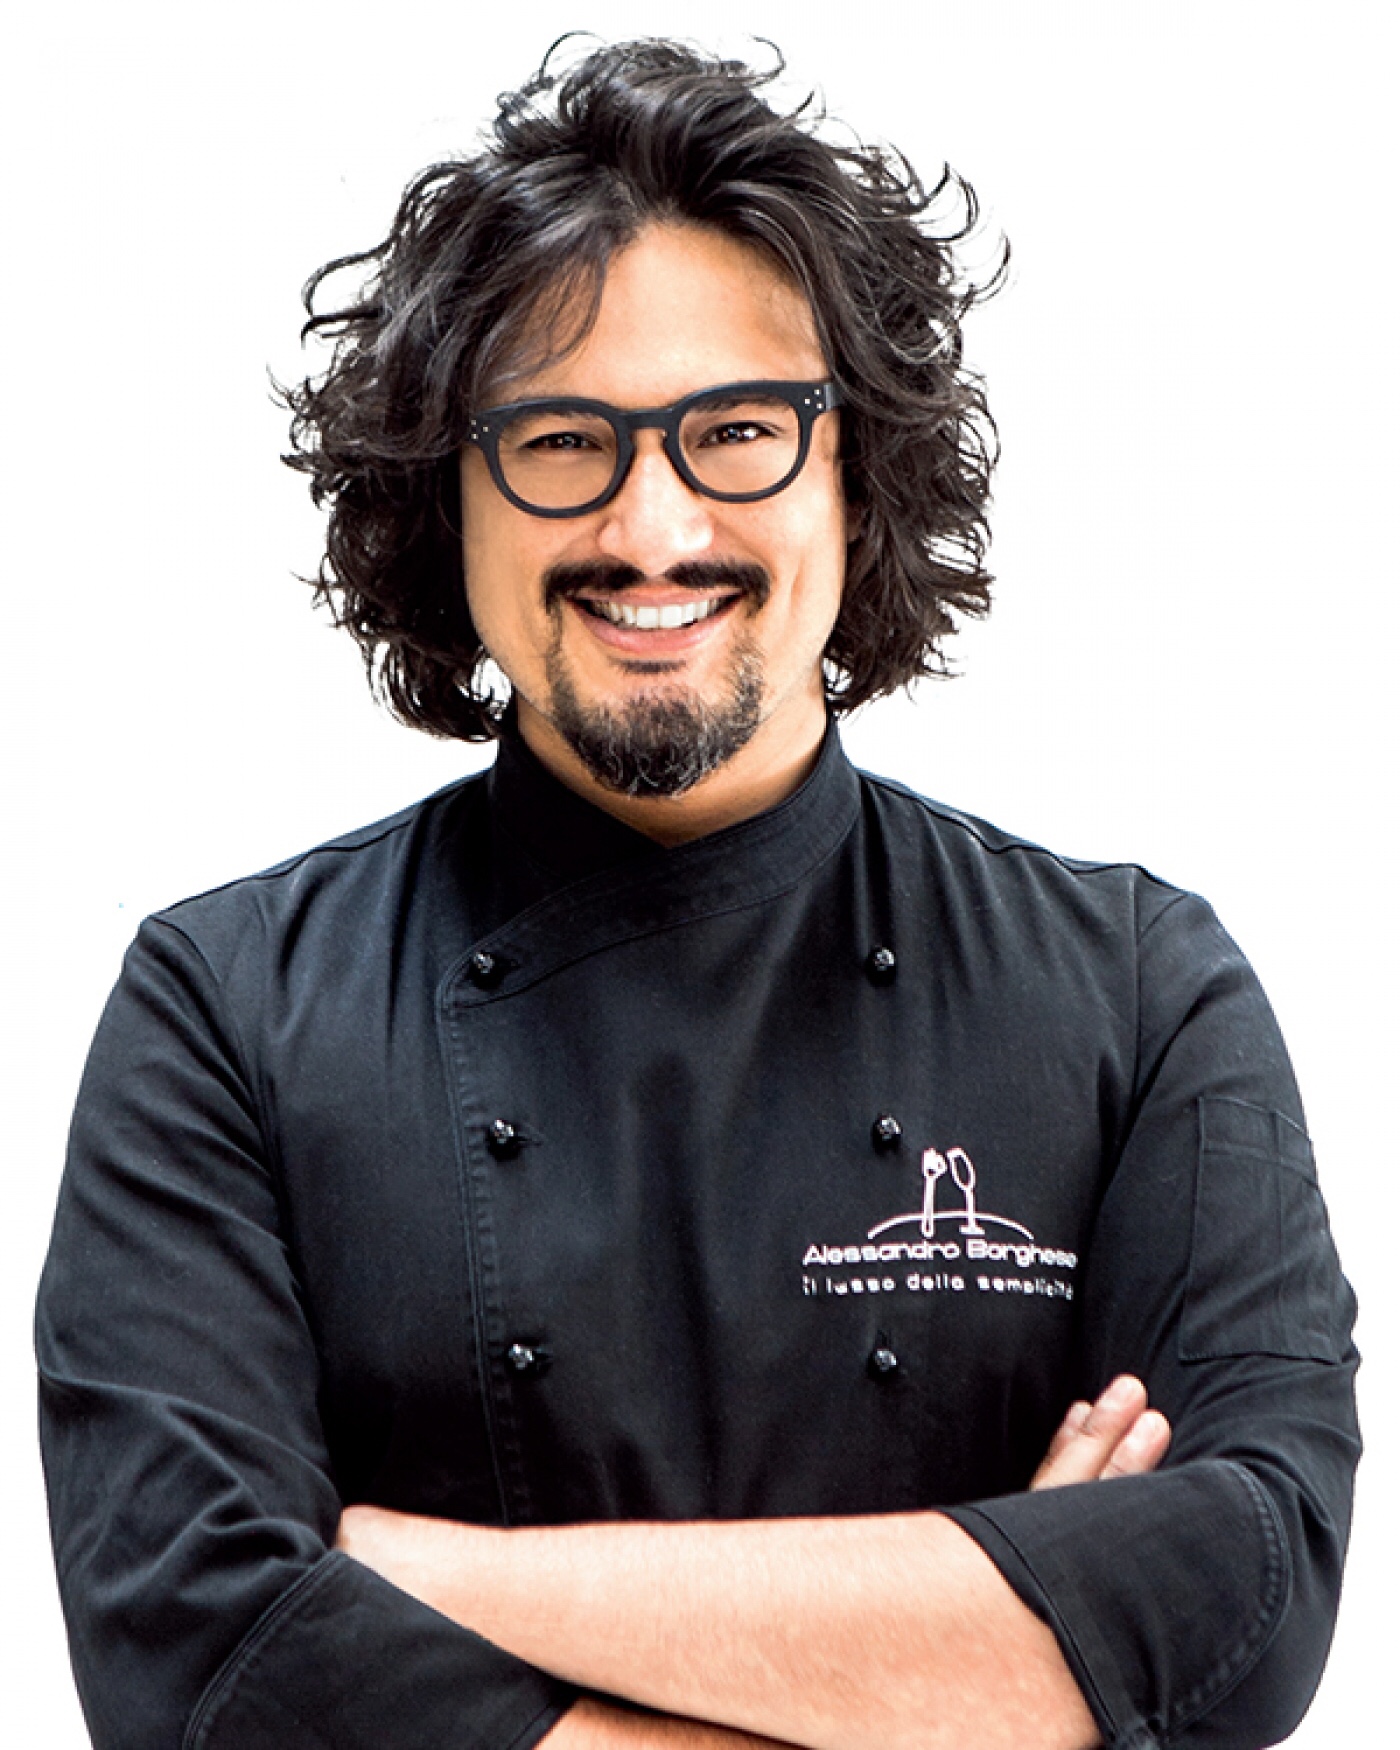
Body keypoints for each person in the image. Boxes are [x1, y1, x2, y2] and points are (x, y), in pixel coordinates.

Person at [36, 37, 1360, 1750]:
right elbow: (205, 1663)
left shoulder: (1138, 991)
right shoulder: (223, 1012)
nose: (652, 529)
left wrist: (406, 1570)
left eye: (737, 430)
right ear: (446, 497)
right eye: (559, 438)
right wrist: (978, 1671)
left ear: (859, 475)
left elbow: (1248, 1593)